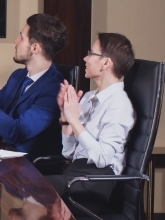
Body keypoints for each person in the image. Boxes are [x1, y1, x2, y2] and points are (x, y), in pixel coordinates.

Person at [45, 33, 135, 215]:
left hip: (96, 181)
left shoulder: (120, 104)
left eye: (91, 53)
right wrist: (65, 117)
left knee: (31, 188)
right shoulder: (88, 97)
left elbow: (102, 158)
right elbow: (68, 152)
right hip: (76, 174)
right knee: (24, 186)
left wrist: (74, 120)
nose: (85, 58)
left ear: (106, 63)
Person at [0, 13, 68, 158]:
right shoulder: (18, 76)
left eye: (21, 37)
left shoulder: (55, 89)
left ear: (35, 48)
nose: (16, 41)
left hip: (28, 168)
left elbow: (17, 133)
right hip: (1, 157)